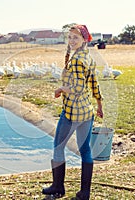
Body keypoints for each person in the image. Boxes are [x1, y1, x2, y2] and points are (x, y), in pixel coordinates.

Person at [42, 24, 103, 200]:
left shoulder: (76, 60)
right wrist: (99, 105)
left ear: (84, 40)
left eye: (75, 37)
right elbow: (94, 84)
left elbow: (76, 87)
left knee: (58, 147)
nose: (71, 40)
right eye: (69, 37)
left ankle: (58, 187)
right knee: (85, 151)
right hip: (87, 112)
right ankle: (85, 193)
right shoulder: (88, 58)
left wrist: (60, 89)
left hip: (72, 112)